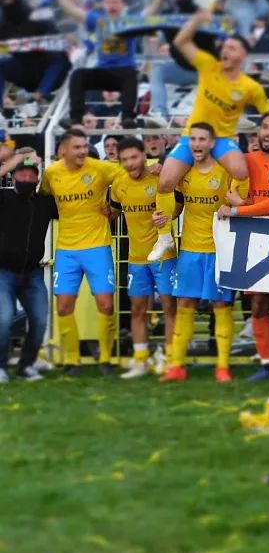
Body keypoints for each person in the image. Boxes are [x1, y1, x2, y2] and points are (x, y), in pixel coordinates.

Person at [149, 9, 269, 262]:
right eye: (224, 46)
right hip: (191, 136)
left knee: (240, 171)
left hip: (222, 139)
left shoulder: (251, 87)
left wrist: (266, 134)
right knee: (164, 182)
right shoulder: (208, 65)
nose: (226, 51)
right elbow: (181, 42)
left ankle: (237, 206)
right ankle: (164, 238)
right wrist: (195, 20)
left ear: (243, 55)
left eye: (232, 47)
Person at [216, 113, 269, 380]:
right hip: (253, 241)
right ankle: (266, 364)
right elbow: (232, 188)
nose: (268, 133)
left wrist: (238, 209)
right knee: (258, 306)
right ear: (258, 132)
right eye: (265, 127)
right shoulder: (246, 162)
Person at [41, 130, 123, 375]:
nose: (82, 151)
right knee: (64, 306)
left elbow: (128, 180)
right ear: (63, 150)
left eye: (84, 146)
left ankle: (106, 360)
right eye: (76, 147)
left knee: (107, 305)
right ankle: (72, 362)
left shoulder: (100, 168)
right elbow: (43, 195)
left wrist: (115, 209)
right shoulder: (51, 173)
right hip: (66, 251)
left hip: (98, 248)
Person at [162, 123, 236, 382]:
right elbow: (177, 205)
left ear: (212, 143)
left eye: (202, 139)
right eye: (192, 139)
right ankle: (177, 366)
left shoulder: (226, 172)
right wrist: (165, 217)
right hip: (190, 250)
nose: (196, 144)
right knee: (185, 304)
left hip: (219, 250)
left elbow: (241, 201)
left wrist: (235, 206)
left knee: (221, 305)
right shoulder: (182, 173)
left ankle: (223, 367)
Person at [111, 138, 178, 379]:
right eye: (125, 159)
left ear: (143, 155)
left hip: (164, 255)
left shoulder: (160, 177)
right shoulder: (119, 185)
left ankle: (172, 361)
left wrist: (167, 217)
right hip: (135, 258)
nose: (130, 163)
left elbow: (178, 206)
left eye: (134, 157)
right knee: (138, 309)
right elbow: (113, 211)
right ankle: (140, 362)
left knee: (171, 307)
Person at [58, 0, 156, 128]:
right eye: (108, 2)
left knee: (132, 75)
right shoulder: (98, 21)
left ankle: (128, 117)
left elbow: (149, 12)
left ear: (123, 4)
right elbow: (72, 11)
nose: (112, 5)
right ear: (103, 4)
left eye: (115, 2)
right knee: (78, 75)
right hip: (102, 72)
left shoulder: (130, 21)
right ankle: (76, 118)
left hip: (124, 73)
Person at [0, 153, 55, 382]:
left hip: (33, 273)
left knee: (41, 320)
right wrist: (11, 163)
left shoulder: (44, 203)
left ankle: (27, 365)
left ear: (37, 179)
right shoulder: (3, 199)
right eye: (22, 174)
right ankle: (1, 367)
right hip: (3, 272)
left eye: (31, 175)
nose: (27, 178)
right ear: (13, 178)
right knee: (4, 319)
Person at [0, 0, 69, 118]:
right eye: (4, 0)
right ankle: (3, 103)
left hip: (47, 67)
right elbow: (4, 52)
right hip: (22, 68)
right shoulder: (2, 23)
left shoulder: (38, 17)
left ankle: (40, 94)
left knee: (59, 57)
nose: (8, 3)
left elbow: (57, 43)